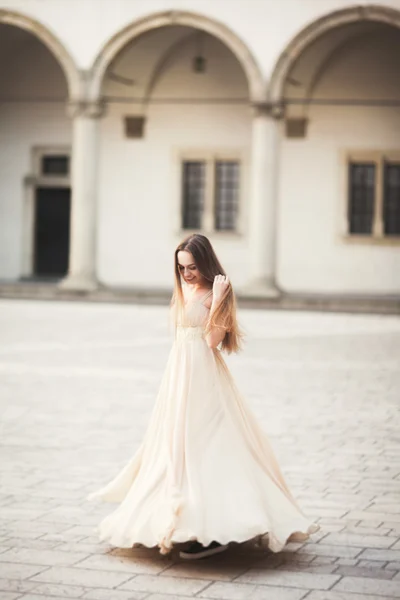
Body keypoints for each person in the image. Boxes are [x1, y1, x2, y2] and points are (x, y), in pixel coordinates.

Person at [87, 234, 319, 560]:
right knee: (173, 443)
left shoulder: (217, 291)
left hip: (204, 374)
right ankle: (167, 521)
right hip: (178, 373)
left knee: (207, 442)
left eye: (192, 267)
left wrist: (220, 297)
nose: (187, 274)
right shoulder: (182, 288)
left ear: (205, 262)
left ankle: (216, 530)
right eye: (181, 268)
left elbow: (212, 341)